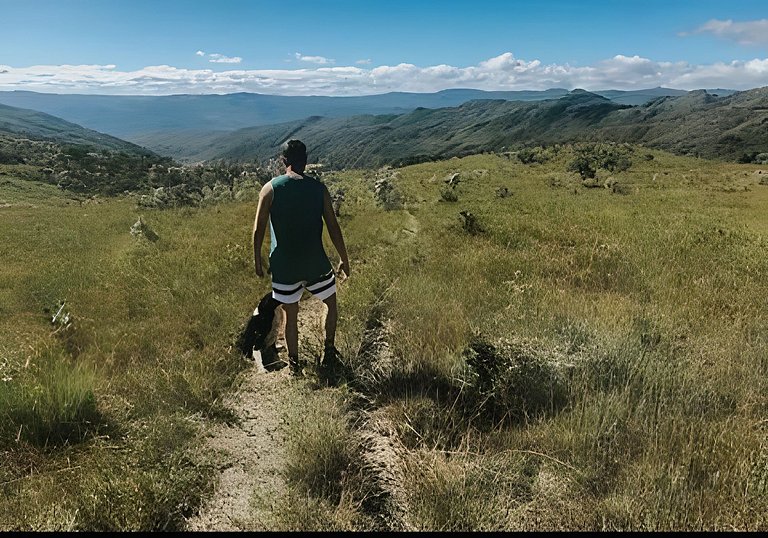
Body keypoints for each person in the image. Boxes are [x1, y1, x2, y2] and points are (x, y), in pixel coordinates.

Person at [252, 139, 350, 377]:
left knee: (290, 313)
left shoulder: (271, 189)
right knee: (330, 303)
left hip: (284, 266)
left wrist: (258, 260)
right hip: (315, 262)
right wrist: (344, 259)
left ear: (283, 161)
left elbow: (259, 228)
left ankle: (294, 365)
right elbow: (334, 228)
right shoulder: (319, 189)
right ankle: (328, 350)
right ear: (305, 161)